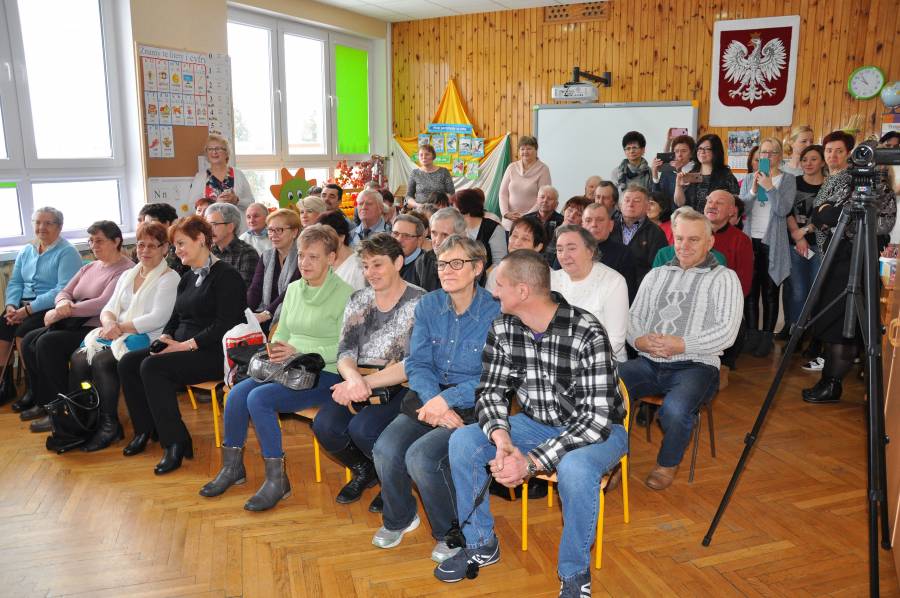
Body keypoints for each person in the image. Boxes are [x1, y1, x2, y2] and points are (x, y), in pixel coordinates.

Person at [434, 250, 627, 598]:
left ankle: (574, 573)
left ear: (523, 291)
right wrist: (502, 439)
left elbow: (595, 421)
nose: (494, 292)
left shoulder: (586, 331)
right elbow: (490, 391)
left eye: (500, 285)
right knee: (463, 441)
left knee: (575, 468)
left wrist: (531, 462)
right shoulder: (503, 327)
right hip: (538, 422)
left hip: (601, 431)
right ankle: (480, 543)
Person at [200, 225, 355, 510]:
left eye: (313, 257)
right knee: (236, 394)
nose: (304, 263)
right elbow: (283, 330)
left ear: (332, 258)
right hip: (288, 367)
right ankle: (232, 468)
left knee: (259, 399)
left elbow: (347, 348)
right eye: (301, 255)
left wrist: (301, 352)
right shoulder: (294, 289)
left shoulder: (347, 295)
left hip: (326, 373)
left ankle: (277, 480)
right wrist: (276, 347)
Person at [372, 235, 499, 562]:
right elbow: (418, 364)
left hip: (474, 402)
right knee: (385, 449)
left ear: (477, 268)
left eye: (457, 263)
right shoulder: (429, 305)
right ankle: (401, 517)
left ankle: (451, 531)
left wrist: (448, 399)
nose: (447, 270)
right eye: (442, 264)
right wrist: (435, 401)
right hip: (429, 395)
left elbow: (493, 377)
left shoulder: (496, 312)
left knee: (422, 458)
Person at [618, 207, 742, 490]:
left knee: (675, 410)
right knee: (604, 387)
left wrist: (683, 344)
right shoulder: (656, 275)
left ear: (710, 242)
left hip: (696, 366)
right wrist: (639, 340)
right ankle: (611, 460)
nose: (684, 246)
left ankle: (667, 463)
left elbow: (727, 333)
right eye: (680, 238)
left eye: (694, 240)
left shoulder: (724, 278)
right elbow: (633, 318)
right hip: (648, 362)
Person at [119, 216, 247, 474]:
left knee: (152, 367)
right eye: (175, 245)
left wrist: (185, 345)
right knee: (128, 362)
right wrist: (166, 337)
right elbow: (175, 317)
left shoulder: (227, 276)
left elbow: (224, 325)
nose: (176, 251)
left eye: (181, 244)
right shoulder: (187, 277)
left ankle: (176, 442)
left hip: (215, 353)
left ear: (200, 240)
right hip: (183, 347)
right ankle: (145, 429)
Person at [312, 234, 424, 512]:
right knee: (324, 426)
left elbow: (414, 363)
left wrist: (364, 382)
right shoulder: (358, 299)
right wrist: (353, 380)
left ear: (398, 262)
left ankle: (393, 481)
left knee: (363, 429)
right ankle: (368, 469)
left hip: (403, 385)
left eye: (377, 264)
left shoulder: (421, 301)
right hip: (360, 379)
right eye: (365, 266)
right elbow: (345, 351)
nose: (370, 272)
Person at [803, 131, 896, 403]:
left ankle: (832, 384)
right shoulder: (850, 185)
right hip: (840, 258)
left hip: (859, 259)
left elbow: (836, 216)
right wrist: (827, 213)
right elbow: (819, 214)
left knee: (846, 326)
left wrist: (828, 213)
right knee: (833, 323)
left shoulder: (881, 190)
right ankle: (829, 382)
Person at [70, 222, 179, 451]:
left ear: (164, 248)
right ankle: (87, 420)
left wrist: (118, 327)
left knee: (102, 361)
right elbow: (109, 307)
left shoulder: (170, 278)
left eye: (152, 246)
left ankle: (109, 425)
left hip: (148, 338)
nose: (145, 250)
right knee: (79, 357)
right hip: (118, 332)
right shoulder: (129, 274)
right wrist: (110, 323)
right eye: (141, 245)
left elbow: (157, 318)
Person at [18, 221, 133, 432]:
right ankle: (46, 403)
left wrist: (64, 311)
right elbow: (65, 291)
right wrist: (62, 303)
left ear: (116, 241)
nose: (94, 245)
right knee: (28, 341)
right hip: (74, 322)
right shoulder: (90, 266)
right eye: (91, 241)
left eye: (99, 241)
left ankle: (64, 409)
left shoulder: (125, 270)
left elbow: (102, 303)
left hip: (98, 328)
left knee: (47, 343)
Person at [3, 207, 82, 413]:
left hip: (49, 306)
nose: (41, 227)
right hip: (21, 305)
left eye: (48, 223)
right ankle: (5, 384)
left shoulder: (67, 252)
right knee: (2, 328)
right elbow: (16, 281)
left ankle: (32, 388)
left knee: (22, 333)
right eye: (38, 222)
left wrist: (28, 310)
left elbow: (62, 289)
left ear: (59, 227)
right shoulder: (27, 250)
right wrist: (11, 305)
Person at [739, 138, 796, 358]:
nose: (767, 156)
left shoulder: (788, 180)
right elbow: (741, 210)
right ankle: (752, 335)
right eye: (764, 152)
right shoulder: (748, 178)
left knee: (771, 292)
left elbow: (783, 210)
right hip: (749, 240)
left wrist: (770, 187)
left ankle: (766, 337)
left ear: (780, 156)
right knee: (750, 291)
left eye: (772, 152)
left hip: (773, 243)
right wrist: (754, 189)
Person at [551, 226, 628, 362]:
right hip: (557, 358)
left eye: (572, 248)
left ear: (590, 251)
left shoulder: (613, 281)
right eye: (560, 249)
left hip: (602, 361)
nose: (564, 255)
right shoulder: (552, 279)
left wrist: (574, 361)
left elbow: (616, 340)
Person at [787, 145, 826, 356]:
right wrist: (797, 235)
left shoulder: (829, 185)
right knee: (798, 292)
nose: (808, 163)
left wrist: (803, 232)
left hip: (819, 246)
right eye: (804, 159)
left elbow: (827, 217)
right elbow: (786, 210)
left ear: (822, 162)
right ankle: (796, 336)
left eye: (813, 159)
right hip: (795, 245)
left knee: (817, 293)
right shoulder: (793, 182)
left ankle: (816, 339)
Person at [247, 208, 302, 336]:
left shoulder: (302, 257)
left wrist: (267, 313)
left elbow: (290, 291)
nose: (273, 235)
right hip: (265, 315)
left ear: (294, 232)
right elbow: (255, 289)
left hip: (291, 317)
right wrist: (245, 312)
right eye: (270, 230)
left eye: (279, 230)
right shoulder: (266, 256)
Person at [610, 184, 668, 286]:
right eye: (627, 200)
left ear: (647, 206)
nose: (630, 204)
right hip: (609, 286)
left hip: (641, 288)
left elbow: (657, 270)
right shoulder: (609, 228)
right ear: (620, 205)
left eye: (636, 201)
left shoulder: (656, 233)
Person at [581, 203, 638, 302]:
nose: (594, 224)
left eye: (600, 220)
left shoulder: (624, 254)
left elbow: (628, 294)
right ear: (582, 226)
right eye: (588, 220)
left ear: (611, 225)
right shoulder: (570, 250)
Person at [674, 134, 739, 213]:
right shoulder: (690, 174)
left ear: (716, 151)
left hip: (716, 220)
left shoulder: (726, 176)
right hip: (692, 219)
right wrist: (678, 185)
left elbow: (736, 203)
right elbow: (680, 203)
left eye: (707, 149)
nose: (702, 152)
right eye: (700, 148)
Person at [188, 134, 254, 212]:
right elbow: (191, 207)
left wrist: (237, 200)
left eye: (218, 148)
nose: (214, 152)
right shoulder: (200, 177)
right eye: (210, 149)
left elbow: (251, 203)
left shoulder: (238, 174)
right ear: (207, 153)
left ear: (226, 153)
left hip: (236, 220)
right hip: (209, 220)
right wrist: (215, 204)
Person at [498, 135, 551, 230]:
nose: (525, 152)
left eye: (529, 149)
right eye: (522, 149)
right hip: (509, 221)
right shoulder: (511, 167)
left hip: (531, 221)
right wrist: (505, 213)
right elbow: (503, 193)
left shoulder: (543, 169)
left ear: (536, 150)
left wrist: (527, 216)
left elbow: (543, 198)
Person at [412, 207, 467, 292]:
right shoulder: (422, 262)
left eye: (445, 235)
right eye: (434, 233)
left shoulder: (470, 264)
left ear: (460, 236)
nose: (437, 241)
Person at [455, 188, 507, 276]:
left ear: (465, 210)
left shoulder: (494, 229)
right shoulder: (458, 228)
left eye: (455, 209)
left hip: (488, 279)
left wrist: (478, 277)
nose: (453, 212)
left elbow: (499, 262)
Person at [485, 217, 546, 292]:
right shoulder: (497, 272)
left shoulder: (545, 276)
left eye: (525, 239)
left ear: (538, 247)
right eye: (514, 236)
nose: (517, 243)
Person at [205, 202, 260, 286]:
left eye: (214, 224)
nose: (209, 230)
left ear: (230, 227)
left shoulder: (247, 254)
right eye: (208, 225)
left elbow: (242, 290)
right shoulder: (208, 251)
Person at [317, 210, 366, 291]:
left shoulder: (358, 266)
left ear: (342, 237)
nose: (323, 243)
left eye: (327, 238)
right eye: (319, 238)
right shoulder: (322, 262)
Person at [134, 202, 187, 275]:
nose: (147, 227)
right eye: (146, 223)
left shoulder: (177, 248)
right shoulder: (142, 245)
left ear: (167, 224)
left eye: (152, 222)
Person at [405, 144, 455, 209]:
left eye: (427, 154)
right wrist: (417, 205)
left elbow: (451, 194)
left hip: (440, 210)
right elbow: (408, 196)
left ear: (433, 156)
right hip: (421, 210)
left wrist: (441, 205)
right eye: (421, 155)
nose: (424, 157)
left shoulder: (444, 172)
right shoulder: (415, 173)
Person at [651, 135, 695, 204]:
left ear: (691, 154)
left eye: (684, 151)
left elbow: (689, 200)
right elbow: (657, 199)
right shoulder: (668, 171)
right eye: (676, 151)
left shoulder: (695, 171)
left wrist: (679, 171)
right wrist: (654, 174)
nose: (679, 155)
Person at [391, 214, 426, 283]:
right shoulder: (384, 258)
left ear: (419, 240)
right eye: (396, 233)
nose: (399, 240)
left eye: (406, 236)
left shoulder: (427, 266)